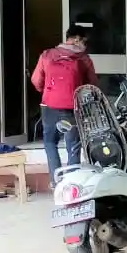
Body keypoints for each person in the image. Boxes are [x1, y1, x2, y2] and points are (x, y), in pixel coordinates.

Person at [32, 27, 97, 181]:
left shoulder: (47, 55)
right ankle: (72, 181)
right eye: (84, 41)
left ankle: (56, 181)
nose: (85, 45)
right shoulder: (83, 59)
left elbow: (36, 80)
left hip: (49, 106)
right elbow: (92, 84)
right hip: (73, 107)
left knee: (50, 142)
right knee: (73, 145)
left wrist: (48, 92)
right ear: (76, 39)